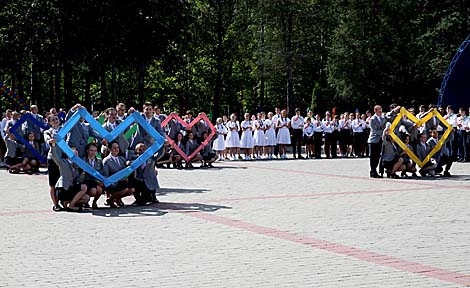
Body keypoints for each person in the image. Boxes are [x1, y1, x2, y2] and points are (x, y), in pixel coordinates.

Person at [49, 140, 89, 212]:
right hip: (63, 189)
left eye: (76, 152)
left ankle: (69, 203)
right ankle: (70, 205)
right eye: (73, 152)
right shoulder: (63, 162)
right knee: (84, 187)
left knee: (86, 198)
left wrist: (83, 173)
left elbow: (78, 181)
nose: (75, 153)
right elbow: (55, 156)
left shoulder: (77, 165)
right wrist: (53, 146)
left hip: (71, 188)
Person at [102, 142, 133, 208]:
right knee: (125, 189)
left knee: (131, 190)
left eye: (117, 147)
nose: (116, 149)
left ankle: (115, 198)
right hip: (113, 184)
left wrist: (128, 163)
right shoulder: (106, 161)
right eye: (114, 148)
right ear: (109, 149)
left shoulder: (122, 158)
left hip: (122, 182)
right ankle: (111, 199)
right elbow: (106, 175)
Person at [43, 114, 62, 211]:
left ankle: (64, 201)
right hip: (52, 159)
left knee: (63, 180)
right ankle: (55, 204)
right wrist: (51, 141)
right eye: (53, 120)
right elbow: (47, 140)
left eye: (56, 119)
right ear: (49, 122)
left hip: (63, 159)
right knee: (53, 183)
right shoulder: (47, 132)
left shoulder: (64, 130)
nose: (55, 121)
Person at [82, 143, 104, 209]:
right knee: (93, 191)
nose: (93, 152)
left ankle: (94, 202)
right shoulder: (82, 160)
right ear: (87, 151)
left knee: (99, 190)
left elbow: (101, 172)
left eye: (95, 151)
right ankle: (85, 202)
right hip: (85, 181)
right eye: (91, 150)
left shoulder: (99, 161)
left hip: (94, 181)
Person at [368, 105, 387, 178]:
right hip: (373, 140)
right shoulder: (373, 119)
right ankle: (373, 171)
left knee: (377, 156)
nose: (381, 111)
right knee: (373, 156)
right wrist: (383, 132)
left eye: (381, 110)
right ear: (375, 111)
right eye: (379, 110)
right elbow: (374, 130)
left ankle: (374, 170)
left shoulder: (382, 118)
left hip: (379, 140)